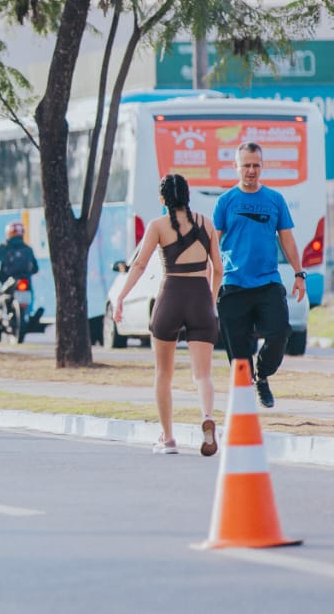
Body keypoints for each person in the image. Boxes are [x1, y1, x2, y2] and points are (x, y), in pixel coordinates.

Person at [113, 173, 223, 455]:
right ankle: (207, 416)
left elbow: (139, 265)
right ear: (188, 195)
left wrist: (121, 297)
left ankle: (169, 438)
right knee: (203, 375)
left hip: (171, 297)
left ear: (163, 199)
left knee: (163, 375)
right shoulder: (207, 223)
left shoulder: (158, 226)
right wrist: (209, 302)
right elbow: (218, 269)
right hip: (200, 298)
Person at [214, 141, 306, 409]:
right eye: (246, 165)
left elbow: (287, 239)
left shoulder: (275, 200)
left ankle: (262, 376)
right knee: (239, 358)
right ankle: (243, 406)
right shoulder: (225, 201)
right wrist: (209, 284)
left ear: (262, 166)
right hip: (233, 285)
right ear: (236, 166)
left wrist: (299, 274)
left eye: (256, 165)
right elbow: (213, 245)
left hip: (268, 283)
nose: (251, 170)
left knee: (280, 333)